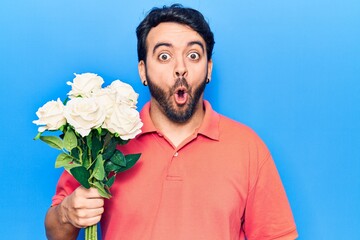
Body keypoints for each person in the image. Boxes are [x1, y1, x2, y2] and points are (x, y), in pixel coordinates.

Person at [45, 4, 298, 240]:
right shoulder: (103, 144)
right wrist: (67, 213)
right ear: (143, 70)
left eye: (193, 55)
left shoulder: (248, 148)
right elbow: (56, 231)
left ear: (209, 69)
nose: (180, 68)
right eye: (164, 56)